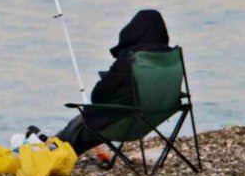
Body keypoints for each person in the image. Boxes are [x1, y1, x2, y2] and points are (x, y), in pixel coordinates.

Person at [54, 9, 172, 155]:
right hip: (152, 118)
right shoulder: (169, 59)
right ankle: (52, 145)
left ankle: (53, 149)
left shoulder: (131, 60)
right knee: (87, 121)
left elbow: (98, 96)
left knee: (80, 123)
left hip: (124, 122)